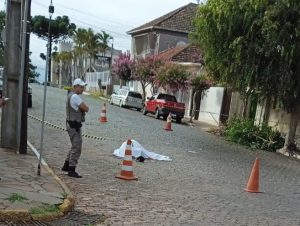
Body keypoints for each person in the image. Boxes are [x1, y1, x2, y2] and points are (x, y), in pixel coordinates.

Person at [62, 78, 89, 178]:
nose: (83, 89)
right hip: (74, 125)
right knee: (77, 147)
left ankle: (66, 165)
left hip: (71, 124)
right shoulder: (75, 97)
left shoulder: (70, 95)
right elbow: (86, 108)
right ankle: (71, 169)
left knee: (74, 145)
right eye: (81, 87)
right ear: (76, 86)